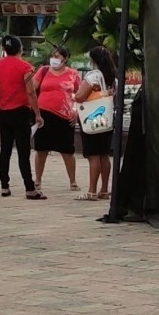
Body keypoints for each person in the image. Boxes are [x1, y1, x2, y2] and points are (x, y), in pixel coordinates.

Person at [0, 35, 46, 199]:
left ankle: (4, 186)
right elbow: (30, 92)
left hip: (2, 110)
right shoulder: (25, 67)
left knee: (5, 149)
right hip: (20, 111)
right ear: (20, 49)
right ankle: (29, 188)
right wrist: (38, 114)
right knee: (23, 152)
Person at [33, 46, 82, 192]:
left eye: (58, 56)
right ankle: (38, 180)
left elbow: (80, 95)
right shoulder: (43, 71)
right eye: (53, 55)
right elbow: (31, 88)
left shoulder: (73, 74)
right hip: (44, 114)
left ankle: (72, 181)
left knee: (67, 150)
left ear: (65, 58)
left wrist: (77, 112)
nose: (55, 58)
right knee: (41, 149)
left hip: (65, 115)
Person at [74, 45, 118, 201]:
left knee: (93, 155)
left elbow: (79, 96)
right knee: (104, 155)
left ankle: (91, 191)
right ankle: (104, 190)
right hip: (106, 119)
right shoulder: (113, 77)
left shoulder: (93, 76)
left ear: (93, 60)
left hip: (91, 119)